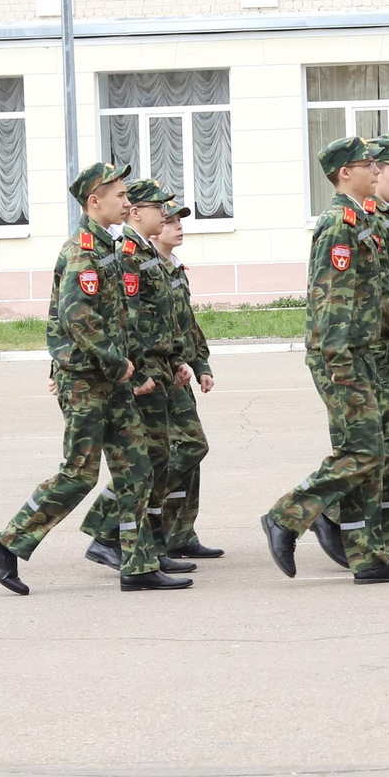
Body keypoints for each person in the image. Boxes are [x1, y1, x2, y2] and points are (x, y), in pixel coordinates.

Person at [0, 163, 181, 595]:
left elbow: (120, 317)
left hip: (113, 379)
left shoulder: (108, 247)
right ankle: (5, 542)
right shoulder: (82, 252)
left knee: (137, 467)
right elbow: (78, 318)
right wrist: (116, 362)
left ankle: (138, 565)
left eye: (127, 195)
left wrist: (132, 367)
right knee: (79, 474)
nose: (128, 203)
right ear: (95, 201)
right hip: (86, 380)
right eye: (120, 195)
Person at [262, 138, 389, 585]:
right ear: (346, 173)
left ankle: (369, 558)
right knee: (363, 450)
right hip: (339, 353)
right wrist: (337, 357)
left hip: (361, 350)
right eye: (367, 165)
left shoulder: (363, 221)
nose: (379, 172)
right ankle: (287, 515)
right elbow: (330, 300)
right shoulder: (338, 225)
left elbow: (382, 296)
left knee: (373, 451)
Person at [81, 181, 194, 578]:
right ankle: (114, 538)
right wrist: (138, 371)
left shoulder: (146, 254)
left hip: (159, 366)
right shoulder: (124, 254)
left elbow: (163, 319)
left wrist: (181, 358)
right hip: (138, 371)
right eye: (157, 207)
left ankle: (145, 545)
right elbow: (121, 322)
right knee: (142, 464)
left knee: (157, 460)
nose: (166, 215)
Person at [147, 192, 221, 557]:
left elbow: (188, 325)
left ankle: (180, 532)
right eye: (172, 221)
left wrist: (201, 363)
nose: (177, 227)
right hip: (161, 372)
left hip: (180, 371)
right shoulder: (148, 269)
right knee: (190, 447)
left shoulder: (174, 268)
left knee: (189, 456)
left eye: (179, 222)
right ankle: (130, 520)